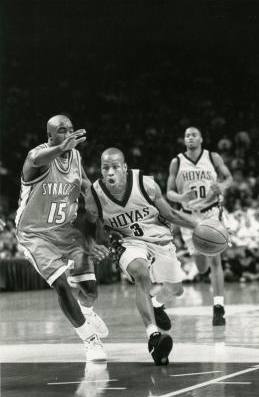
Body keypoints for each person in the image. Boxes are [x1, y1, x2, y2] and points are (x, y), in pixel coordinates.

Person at [83, 147, 197, 366]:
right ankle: (153, 336)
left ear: (125, 168)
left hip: (159, 238)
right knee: (141, 273)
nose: (110, 172)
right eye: (105, 168)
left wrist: (197, 225)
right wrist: (98, 241)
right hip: (128, 242)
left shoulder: (145, 184)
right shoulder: (94, 195)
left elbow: (170, 214)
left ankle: (155, 302)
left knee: (176, 289)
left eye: (115, 167)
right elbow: (91, 226)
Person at [15, 114, 109, 361]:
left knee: (89, 287)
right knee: (62, 285)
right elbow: (33, 158)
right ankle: (90, 340)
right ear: (50, 136)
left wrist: (96, 200)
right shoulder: (40, 158)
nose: (68, 134)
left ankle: (86, 311)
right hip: (36, 233)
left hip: (66, 231)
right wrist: (59, 148)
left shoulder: (76, 157)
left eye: (70, 129)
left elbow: (86, 184)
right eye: (61, 131)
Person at [167, 126, 233, 326]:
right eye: (187, 135)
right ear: (184, 140)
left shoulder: (213, 157)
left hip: (212, 213)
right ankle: (202, 267)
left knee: (215, 260)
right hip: (189, 218)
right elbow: (169, 192)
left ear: (201, 138)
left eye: (194, 135)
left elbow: (229, 178)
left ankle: (218, 308)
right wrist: (180, 197)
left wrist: (221, 186)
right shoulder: (176, 162)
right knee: (202, 268)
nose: (190, 138)